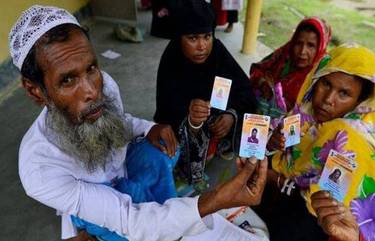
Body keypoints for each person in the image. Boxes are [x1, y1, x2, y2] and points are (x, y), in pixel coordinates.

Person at [10, 5, 268, 241]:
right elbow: (129, 221)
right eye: (67, 80)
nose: (91, 91)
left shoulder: (105, 84)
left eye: (91, 68)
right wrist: (216, 200)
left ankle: (167, 209)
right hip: (100, 202)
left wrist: (149, 128)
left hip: (125, 172)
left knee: (164, 150)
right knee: (138, 228)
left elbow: (119, 120)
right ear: (35, 91)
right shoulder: (39, 167)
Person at [263, 43, 375, 241]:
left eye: (344, 94)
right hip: (284, 207)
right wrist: (273, 144)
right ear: (315, 79)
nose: (328, 99)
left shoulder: (349, 140)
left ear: (360, 102)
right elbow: (284, 156)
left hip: (312, 226)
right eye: (326, 84)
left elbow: (322, 207)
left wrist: (275, 178)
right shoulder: (305, 116)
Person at [153, 0, 256, 186]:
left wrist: (230, 116)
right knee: (161, 155)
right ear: (179, 37)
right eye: (193, 38)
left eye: (207, 36)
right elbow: (165, 113)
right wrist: (191, 117)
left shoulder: (217, 52)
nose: (202, 46)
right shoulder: (171, 60)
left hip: (219, 128)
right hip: (184, 133)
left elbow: (246, 91)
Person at [250, 17, 331, 118]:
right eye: (299, 43)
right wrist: (263, 84)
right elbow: (257, 69)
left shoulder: (322, 76)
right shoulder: (285, 54)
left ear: (320, 47)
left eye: (310, 45)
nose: (302, 51)